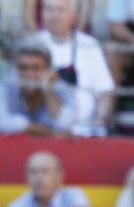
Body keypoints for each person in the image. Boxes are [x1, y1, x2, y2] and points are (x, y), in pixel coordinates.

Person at [36, 0, 117, 131]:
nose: (54, 15)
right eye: (49, 9)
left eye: (60, 10)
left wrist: (101, 118)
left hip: (86, 129)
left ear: (74, 14)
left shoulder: (89, 45)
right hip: (45, 129)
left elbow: (105, 91)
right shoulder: (34, 44)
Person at [0, 42, 84, 136]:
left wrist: (48, 89)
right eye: (23, 68)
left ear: (49, 70)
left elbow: (64, 124)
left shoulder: (61, 88)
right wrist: (51, 133)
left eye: (36, 68)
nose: (29, 74)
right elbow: (3, 124)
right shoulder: (4, 86)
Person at [4, 150, 94, 207]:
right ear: (27, 178)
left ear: (59, 176)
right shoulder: (18, 206)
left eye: (45, 171)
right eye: (33, 172)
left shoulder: (73, 194)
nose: (38, 178)